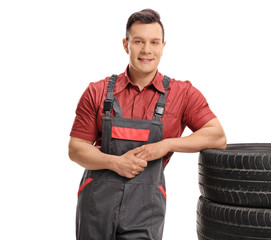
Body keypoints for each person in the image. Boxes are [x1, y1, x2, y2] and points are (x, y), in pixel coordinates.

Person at [68, 8, 226, 240]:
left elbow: (217, 136)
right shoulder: (97, 91)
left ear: (163, 46)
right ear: (126, 44)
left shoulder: (182, 94)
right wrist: (115, 163)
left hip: (145, 206)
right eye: (139, 41)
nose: (146, 50)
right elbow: (76, 148)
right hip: (96, 204)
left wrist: (166, 145)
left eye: (154, 42)